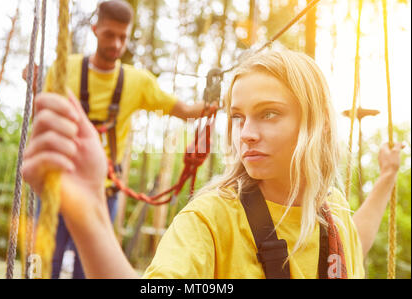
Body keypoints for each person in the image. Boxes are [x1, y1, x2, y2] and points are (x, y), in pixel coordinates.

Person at [23, 49, 404, 279]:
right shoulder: (212, 218)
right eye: (238, 116)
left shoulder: (330, 212)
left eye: (268, 114)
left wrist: (387, 176)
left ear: (315, 121)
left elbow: (354, 240)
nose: (246, 134)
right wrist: (87, 209)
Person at [23, 0, 216, 279]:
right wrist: (36, 87)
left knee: (88, 270)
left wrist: (218, 101)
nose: (116, 43)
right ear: (95, 30)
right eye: (109, 35)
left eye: (123, 37)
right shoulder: (65, 69)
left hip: (105, 191)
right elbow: (42, 121)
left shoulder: (139, 82)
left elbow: (185, 111)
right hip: (58, 185)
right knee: (45, 265)